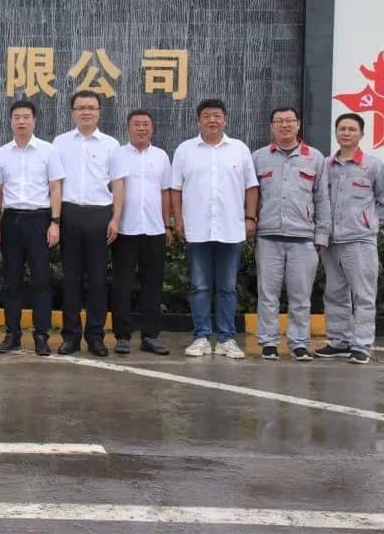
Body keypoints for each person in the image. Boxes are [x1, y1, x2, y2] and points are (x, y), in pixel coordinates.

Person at [171, 98, 258, 359]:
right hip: (197, 229)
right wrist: (178, 220)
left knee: (227, 287)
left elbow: (251, 186)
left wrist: (250, 217)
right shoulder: (185, 150)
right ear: (198, 121)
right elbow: (175, 189)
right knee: (199, 286)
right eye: (207, 115)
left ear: (225, 120)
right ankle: (200, 337)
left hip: (231, 229)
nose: (212, 120)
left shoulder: (239, 149)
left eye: (217, 115)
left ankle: (226, 339)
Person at [316, 113, 384, 364]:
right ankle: (339, 342)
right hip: (331, 242)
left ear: (361, 134)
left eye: (352, 129)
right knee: (334, 293)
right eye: (342, 128)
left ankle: (362, 344)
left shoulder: (373, 165)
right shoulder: (326, 165)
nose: (346, 133)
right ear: (336, 133)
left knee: (363, 294)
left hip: (359, 241)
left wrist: (369, 224)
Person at [251, 107, 330, 361]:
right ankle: (269, 342)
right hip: (268, 237)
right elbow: (251, 197)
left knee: (301, 296)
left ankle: (299, 344)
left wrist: (321, 235)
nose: (284, 125)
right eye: (279, 121)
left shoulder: (315, 158)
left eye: (289, 121)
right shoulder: (259, 157)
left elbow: (322, 198)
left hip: (303, 238)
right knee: (267, 294)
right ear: (271, 126)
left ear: (298, 124)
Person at [53, 91, 127, 357]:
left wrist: (115, 219)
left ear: (99, 112)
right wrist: (56, 220)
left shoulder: (111, 144)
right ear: (73, 112)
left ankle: (95, 336)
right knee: (71, 278)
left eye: (91, 107)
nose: (86, 112)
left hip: (100, 215)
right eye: (81, 107)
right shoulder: (60, 143)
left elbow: (118, 184)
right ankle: (70, 336)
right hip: (70, 213)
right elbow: (55, 184)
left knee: (97, 279)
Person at [0, 100, 63, 356]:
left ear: (34, 121)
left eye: (26, 117)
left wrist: (55, 223)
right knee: (11, 280)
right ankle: (12, 335)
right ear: (11, 121)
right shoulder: (1, 154)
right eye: (17, 117)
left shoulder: (48, 151)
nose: (21, 121)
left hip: (39, 220)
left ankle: (41, 336)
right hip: (11, 220)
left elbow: (56, 188)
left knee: (41, 280)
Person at [111, 109, 172, 356]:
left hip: (155, 230)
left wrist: (167, 225)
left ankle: (150, 336)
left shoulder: (161, 156)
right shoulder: (118, 155)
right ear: (128, 128)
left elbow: (165, 192)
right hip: (125, 229)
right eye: (136, 124)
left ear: (152, 129)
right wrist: (114, 221)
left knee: (152, 285)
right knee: (122, 285)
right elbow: (115, 188)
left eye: (146, 124)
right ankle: (122, 336)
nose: (141, 128)